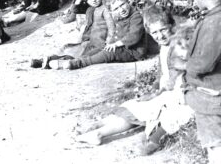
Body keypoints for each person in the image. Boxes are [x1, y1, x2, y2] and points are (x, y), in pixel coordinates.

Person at [76, 9, 194, 155]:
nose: (160, 35)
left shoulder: (179, 46)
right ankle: (97, 126)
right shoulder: (163, 47)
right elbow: (162, 73)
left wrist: (158, 93)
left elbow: (176, 76)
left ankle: (99, 133)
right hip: (166, 91)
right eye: (154, 32)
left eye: (163, 30)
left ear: (171, 26)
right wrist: (155, 87)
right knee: (134, 104)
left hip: (178, 94)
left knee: (146, 108)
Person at [50, 0, 146, 70]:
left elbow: (134, 35)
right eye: (116, 8)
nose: (121, 10)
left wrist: (116, 44)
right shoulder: (118, 16)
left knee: (109, 53)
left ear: (127, 1)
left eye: (122, 5)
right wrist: (111, 43)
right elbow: (115, 33)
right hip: (121, 47)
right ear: (111, 11)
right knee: (99, 50)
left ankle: (79, 63)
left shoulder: (135, 16)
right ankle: (71, 61)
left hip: (134, 52)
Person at [185, 0, 221, 164]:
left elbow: (204, 63)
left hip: (212, 96)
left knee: (216, 147)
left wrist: (188, 68)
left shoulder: (214, 23)